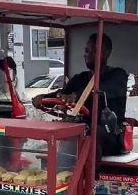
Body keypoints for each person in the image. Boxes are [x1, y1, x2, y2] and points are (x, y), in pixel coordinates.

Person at [32, 33, 128, 166]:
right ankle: (59, 174)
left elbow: (98, 91)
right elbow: (61, 94)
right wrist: (43, 99)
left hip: (110, 135)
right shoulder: (80, 78)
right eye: (87, 51)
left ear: (107, 53)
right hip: (82, 129)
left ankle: (89, 180)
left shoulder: (117, 75)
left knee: (91, 133)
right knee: (64, 130)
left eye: (94, 51)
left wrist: (75, 97)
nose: (88, 54)